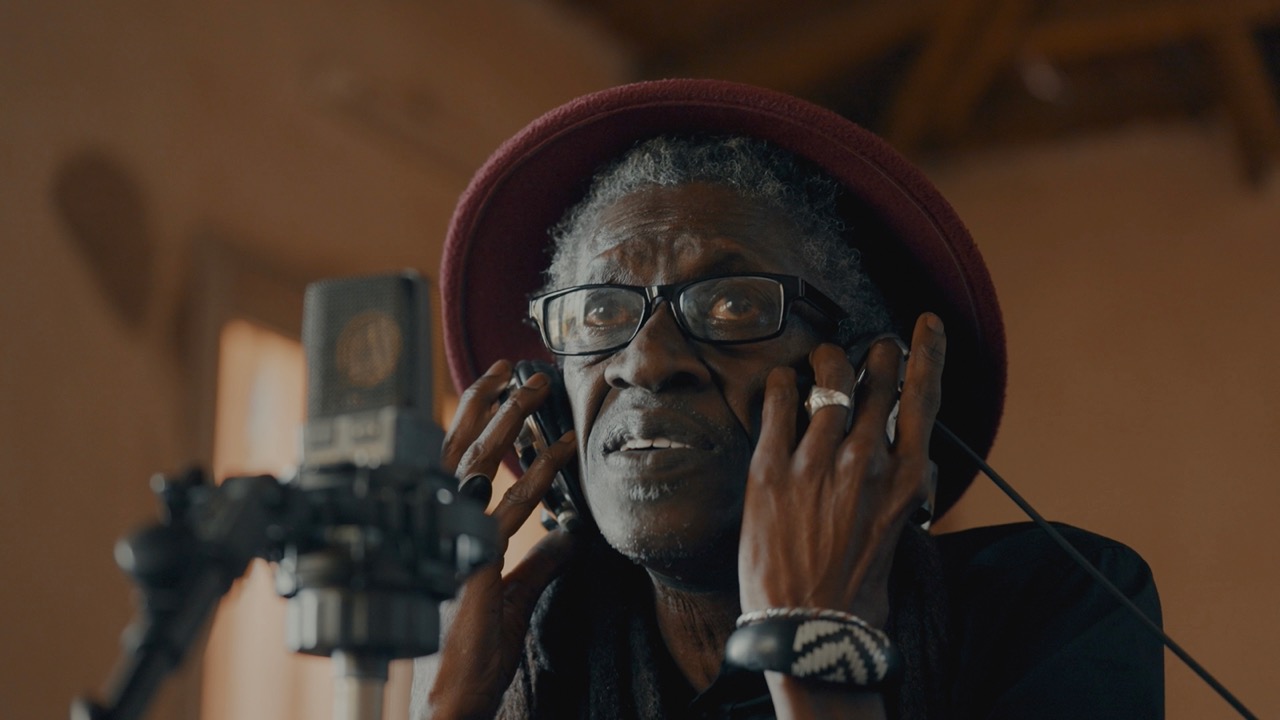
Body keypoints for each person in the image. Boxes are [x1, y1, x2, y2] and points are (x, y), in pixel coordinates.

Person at [411, 79, 1163, 719]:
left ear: (870, 390)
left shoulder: (1052, 607)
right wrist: (446, 707)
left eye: (732, 304)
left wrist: (815, 652)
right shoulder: (535, 658)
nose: (646, 361)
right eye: (601, 313)